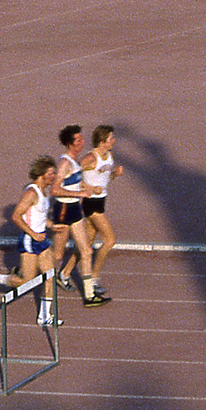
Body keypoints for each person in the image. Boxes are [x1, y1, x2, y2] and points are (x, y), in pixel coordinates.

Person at [0, 156, 63, 327]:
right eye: (51, 173)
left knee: (50, 276)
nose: (54, 176)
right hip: (30, 240)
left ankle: (44, 317)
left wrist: (51, 225)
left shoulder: (43, 192)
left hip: (42, 239)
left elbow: (39, 216)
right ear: (41, 174)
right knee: (27, 281)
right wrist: (33, 233)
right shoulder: (31, 193)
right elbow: (16, 216)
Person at [49, 125, 106, 307]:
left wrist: (90, 189)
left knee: (86, 250)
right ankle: (26, 273)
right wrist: (79, 195)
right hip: (63, 210)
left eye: (82, 139)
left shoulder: (75, 161)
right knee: (57, 256)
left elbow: (76, 182)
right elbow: (55, 190)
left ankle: (89, 295)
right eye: (78, 140)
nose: (82, 143)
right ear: (69, 143)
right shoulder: (64, 162)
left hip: (75, 210)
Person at [75, 124, 124, 301]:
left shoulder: (108, 156)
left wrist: (114, 175)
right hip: (90, 204)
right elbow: (70, 178)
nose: (114, 140)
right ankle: (94, 278)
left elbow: (103, 179)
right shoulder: (90, 158)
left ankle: (64, 274)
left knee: (86, 243)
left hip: (101, 201)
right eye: (111, 138)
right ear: (102, 141)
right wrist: (88, 188)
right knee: (110, 240)